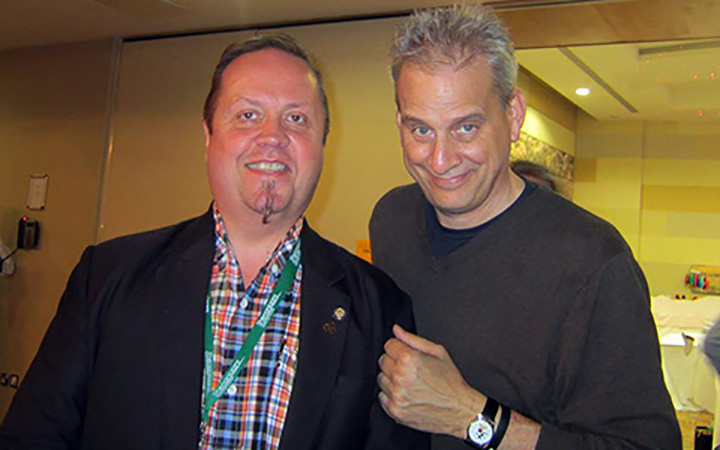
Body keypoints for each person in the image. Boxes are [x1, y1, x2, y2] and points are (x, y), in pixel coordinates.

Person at [0, 34, 427, 450]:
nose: (272, 136)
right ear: (208, 136)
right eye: (247, 115)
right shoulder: (106, 279)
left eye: (297, 118)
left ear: (322, 144)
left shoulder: (379, 308)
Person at [369, 4, 680, 450]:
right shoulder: (391, 218)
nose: (439, 159)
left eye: (466, 128)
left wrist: (472, 416)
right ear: (400, 122)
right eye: (421, 130)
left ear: (513, 115)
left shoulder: (592, 261)